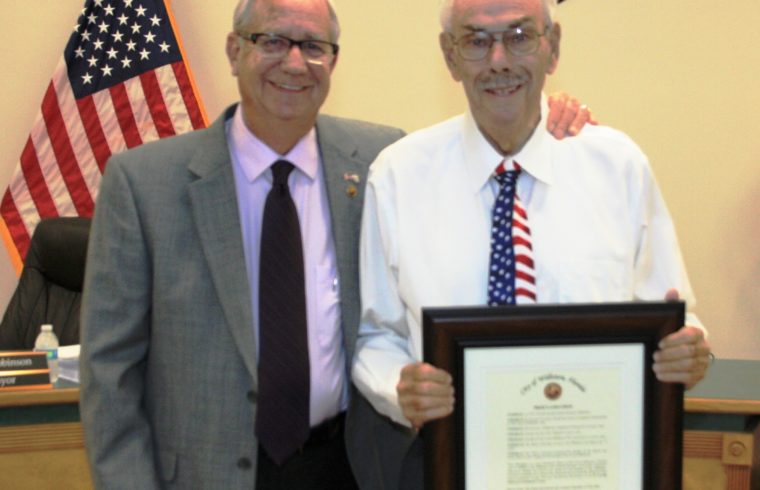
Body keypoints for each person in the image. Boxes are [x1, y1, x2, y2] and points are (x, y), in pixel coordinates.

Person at [79, 0, 591, 488]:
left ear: (334, 60)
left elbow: (486, 157)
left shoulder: (383, 159)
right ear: (235, 51)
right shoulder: (144, 183)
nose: (295, 63)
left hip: (350, 467)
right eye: (273, 41)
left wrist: (550, 117)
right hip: (203, 472)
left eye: (314, 46)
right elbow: (109, 374)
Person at [350, 0, 712, 489]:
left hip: (596, 465)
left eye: (519, 35)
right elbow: (376, 334)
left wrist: (691, 351)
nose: (499, 59)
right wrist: (400, 387)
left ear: (553, 47)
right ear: (449, 56)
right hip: (451, 462)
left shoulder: (617, 166)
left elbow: (675, 316)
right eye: (476, 40)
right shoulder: (397, 176)